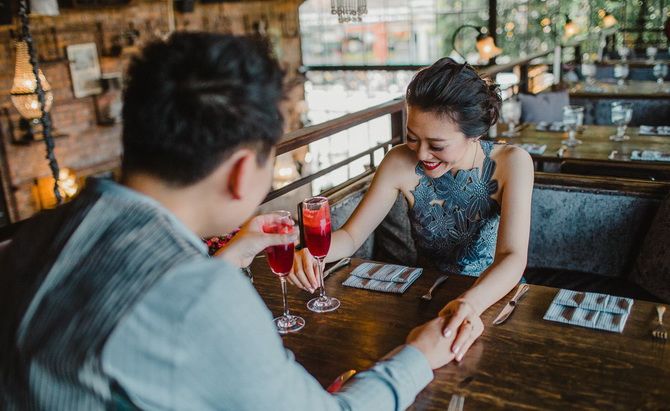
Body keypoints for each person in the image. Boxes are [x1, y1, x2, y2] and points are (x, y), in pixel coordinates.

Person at [0, 33, 457, 410]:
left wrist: (238, 249)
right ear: (242, 171)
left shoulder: (40, 233)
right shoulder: (201, 297)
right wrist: (419, 355)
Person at [291, 57, 534, 363]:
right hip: (424, 298)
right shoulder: (398, 162)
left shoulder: (513, 162)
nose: (421, 154)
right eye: (412, 138)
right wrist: (316, 251)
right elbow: (352, 237)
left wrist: (470, 304)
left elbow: (512, 256)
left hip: (494, 300)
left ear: (474, 134)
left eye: (436, 144)